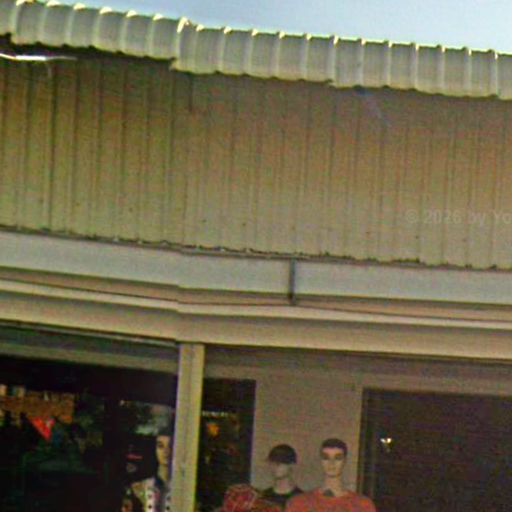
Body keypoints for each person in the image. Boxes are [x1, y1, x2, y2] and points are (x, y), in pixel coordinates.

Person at [286, 438, 376, 512]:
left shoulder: (362, 505)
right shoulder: (300, 503)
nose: (331, 463)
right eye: (326, 457)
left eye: (338, 458)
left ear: (345, 460)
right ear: (321, 460)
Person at [123, 427, 173, 512]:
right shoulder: (139, 487)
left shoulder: (183, 486)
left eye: (170, 446)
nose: (166, 451)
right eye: (160, 446)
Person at [261, 444, 302, 509]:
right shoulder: (262, 498)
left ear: (292, 465)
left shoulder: (302, 499)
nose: (275, 467)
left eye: (279, 463)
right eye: (272, 463)